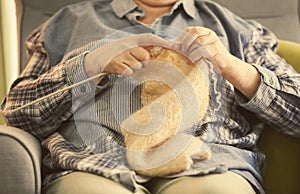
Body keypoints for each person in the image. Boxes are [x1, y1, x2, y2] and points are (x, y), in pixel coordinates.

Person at [1, 0, 300, 193]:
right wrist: (88, 65)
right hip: (94, 162)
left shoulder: (239, 30)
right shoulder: (65, 23)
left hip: (211, 161)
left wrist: (232, 67)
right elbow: (17, 112)